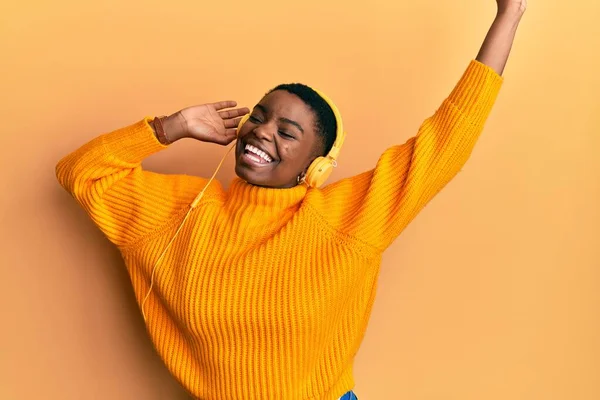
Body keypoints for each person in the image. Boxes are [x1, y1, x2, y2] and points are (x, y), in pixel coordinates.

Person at [55, 1, 526, 399]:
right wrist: (170, 126)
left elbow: (447, 139)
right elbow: (81, 173)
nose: (261, 131)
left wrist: (509, 12)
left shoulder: (347, 219)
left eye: (287, 132)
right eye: (258, 117)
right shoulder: (180, 211)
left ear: (316, 166)